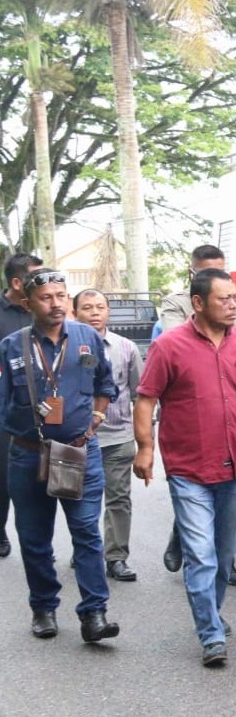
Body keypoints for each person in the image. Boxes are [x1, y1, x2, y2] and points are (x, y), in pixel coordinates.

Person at [133, 268, 236, 666]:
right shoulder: (169, 346)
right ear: (198, 303)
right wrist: (145, 448)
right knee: (203, 557)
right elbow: (145, 399)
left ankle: (213, 612)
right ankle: (210, 635)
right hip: (188, 469)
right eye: (223, 299)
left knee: (223, 557)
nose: (232, 305)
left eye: (234, 298)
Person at [0, 268, 119, 642]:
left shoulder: (86, 338)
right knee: (34, 537)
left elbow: (105, 384)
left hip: (79, 453)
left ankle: (94, 613)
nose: (56, 304)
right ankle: (43, 607)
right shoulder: (12, 346)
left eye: (61, 296)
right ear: (26, 303)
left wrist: (94, 421)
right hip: (29, 456)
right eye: (46, 298)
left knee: (86, 532)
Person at [158, 243, 236, 585]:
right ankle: (185, 539)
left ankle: (225, 560)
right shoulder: (176, 303)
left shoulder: (233, 302)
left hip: (230, 406)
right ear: (193, 273)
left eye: (222, 269)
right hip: (191, 407)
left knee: (230, 485)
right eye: (209, 271)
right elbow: (176, 344)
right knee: (195, 484)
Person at [74, 289, 143, 582]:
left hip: (117, 438)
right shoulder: (62, 347)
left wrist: (144, 442)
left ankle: (116, 557)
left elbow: (141, 395)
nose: (94, 312)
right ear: (74, 312)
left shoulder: (126, 348)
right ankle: (85, 552)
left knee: (118, 499)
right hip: (74, 441)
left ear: (108, 312)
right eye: (87, 307)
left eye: (100, 307)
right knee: (78, 502)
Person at [0, 252, 43, 559]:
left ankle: (38, 542)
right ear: (17, 282)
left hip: (41, 409)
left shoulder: (40, 311)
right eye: (34, 276)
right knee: (3, 475)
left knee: (39, 477)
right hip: (5, 408)